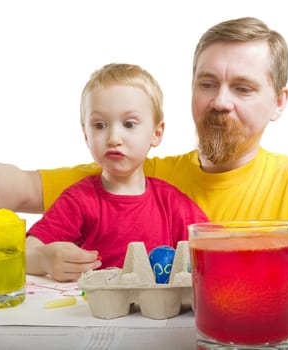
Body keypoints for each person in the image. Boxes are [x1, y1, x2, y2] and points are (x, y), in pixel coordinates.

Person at [0, 17, 288, 314]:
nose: (219, 102)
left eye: (242, 87)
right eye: (206, 84)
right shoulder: (137, 175)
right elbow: (16, 189)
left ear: (279, 101)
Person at [24, 63, 208, 281]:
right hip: (96, 312)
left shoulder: (171, 203)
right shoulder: (79, 200)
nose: (113, 138)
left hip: (158, 313)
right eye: (100, 125)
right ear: (86, 135)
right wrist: (44, 259)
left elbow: (213, 246)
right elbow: (25, 252)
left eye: (129, 124)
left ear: (156, 133)